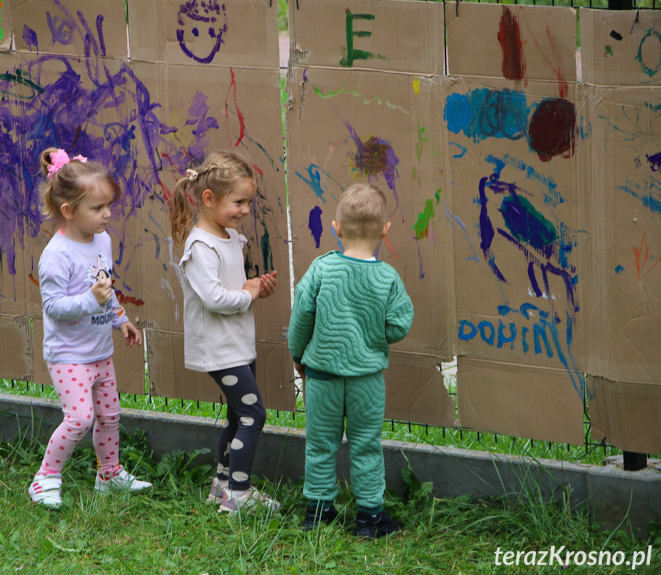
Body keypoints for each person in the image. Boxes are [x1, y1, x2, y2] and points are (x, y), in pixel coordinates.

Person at [287, 183, 414, 538]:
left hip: (322, 377)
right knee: (366, 446)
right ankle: (370, 518)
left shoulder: (321, 270)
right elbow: (400, 323)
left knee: (321, 444)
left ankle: (318, 512)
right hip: (367, 379)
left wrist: (299, 356)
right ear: (385, 229)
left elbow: (301, 319)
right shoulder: (387, 277)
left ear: (336, 228)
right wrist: (374, 334)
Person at [29, 148, 152, 508]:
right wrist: (92, 300)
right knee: (80, 417)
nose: (107, 214)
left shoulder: (102, 241)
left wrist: (121, 319)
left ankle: (109, 474)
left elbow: (104, 286)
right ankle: (45, 478)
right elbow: (53, 308)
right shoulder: (57, 256)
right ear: (69, 211)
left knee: (110, 416)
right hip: (68, 356)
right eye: (97, 208)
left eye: (108, 205)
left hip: (100, 352)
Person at [171, 150, 280, 514]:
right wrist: (247, 293)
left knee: (237, 416)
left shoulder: (228, 236)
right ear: (208, 198)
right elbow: (215, 298)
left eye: (248, 201)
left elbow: (229, 287)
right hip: (219, 349)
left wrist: (252, 285)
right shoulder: (201, 246)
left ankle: (221, 483)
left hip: (235, 345)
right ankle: (239, 493)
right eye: (239, 202)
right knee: (254, 416)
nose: (246, 210)